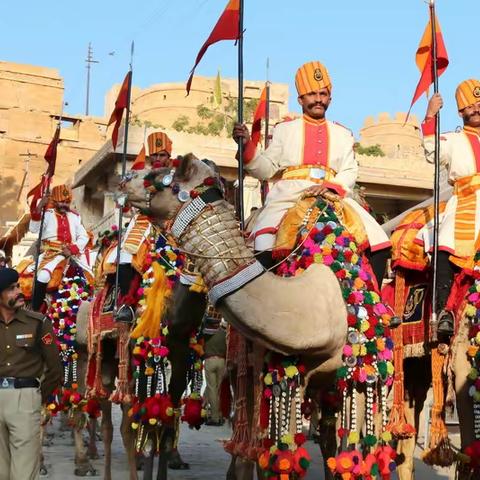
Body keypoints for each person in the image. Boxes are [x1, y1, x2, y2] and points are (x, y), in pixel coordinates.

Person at [232, 60, 391, 287]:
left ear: (330, 98)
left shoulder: (343, 134)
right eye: (312, 94)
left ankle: (371, 304)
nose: (318, 99)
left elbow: (349, 170)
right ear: (300, 100)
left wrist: (330, 187)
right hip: (290, 195)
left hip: (333, 194)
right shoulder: (285, 130)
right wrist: (246, 147)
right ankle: (264, 298)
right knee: (264, 243)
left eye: (323, 94)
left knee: (379, 241)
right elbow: (265, 168)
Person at [418, 79, 480, 338]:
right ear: (460, 112)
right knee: (444, 242)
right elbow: (432, 152)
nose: (475, 108)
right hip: (466, 203)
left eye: (479, 103)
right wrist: (430, 114)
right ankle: (445, 312)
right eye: (469, 105)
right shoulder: (453, 139)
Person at [0, 268, 62, 479]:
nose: (18, 291)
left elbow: (55, 368)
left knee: (24, 471)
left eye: (17, 286)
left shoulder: (38, 323)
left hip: (24, 398)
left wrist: (36, 396)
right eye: (11, 289)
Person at [109, 131, 174, 323]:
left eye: (162, 155)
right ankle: (127, 305)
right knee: (123, 257)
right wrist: (121, 193)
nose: (158, 159)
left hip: (170, 223)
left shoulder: (175, 176)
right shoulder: (137, 176)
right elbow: (124, 207)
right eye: (154, 155)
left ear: (169, 156)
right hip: (142, 223)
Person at [27, 184, 91, 311]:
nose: (64, 205)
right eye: (62, 202)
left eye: (67, 202)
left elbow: (84, 236)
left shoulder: (75, 216)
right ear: (55, 201)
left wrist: (73, 249)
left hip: (71, 254)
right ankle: (36, 310)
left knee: (91, 278)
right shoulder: (47, 213)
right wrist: (39, 207)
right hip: (50, 255)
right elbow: (33, 229)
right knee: (43, 276)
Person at [203, 317, 227, 426]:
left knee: (212, 389)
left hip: (210, 360)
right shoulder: (223, 333)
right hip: (222, 361)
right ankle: (219, 413)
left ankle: (215, 417)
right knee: (218, 389)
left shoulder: (206, 333)